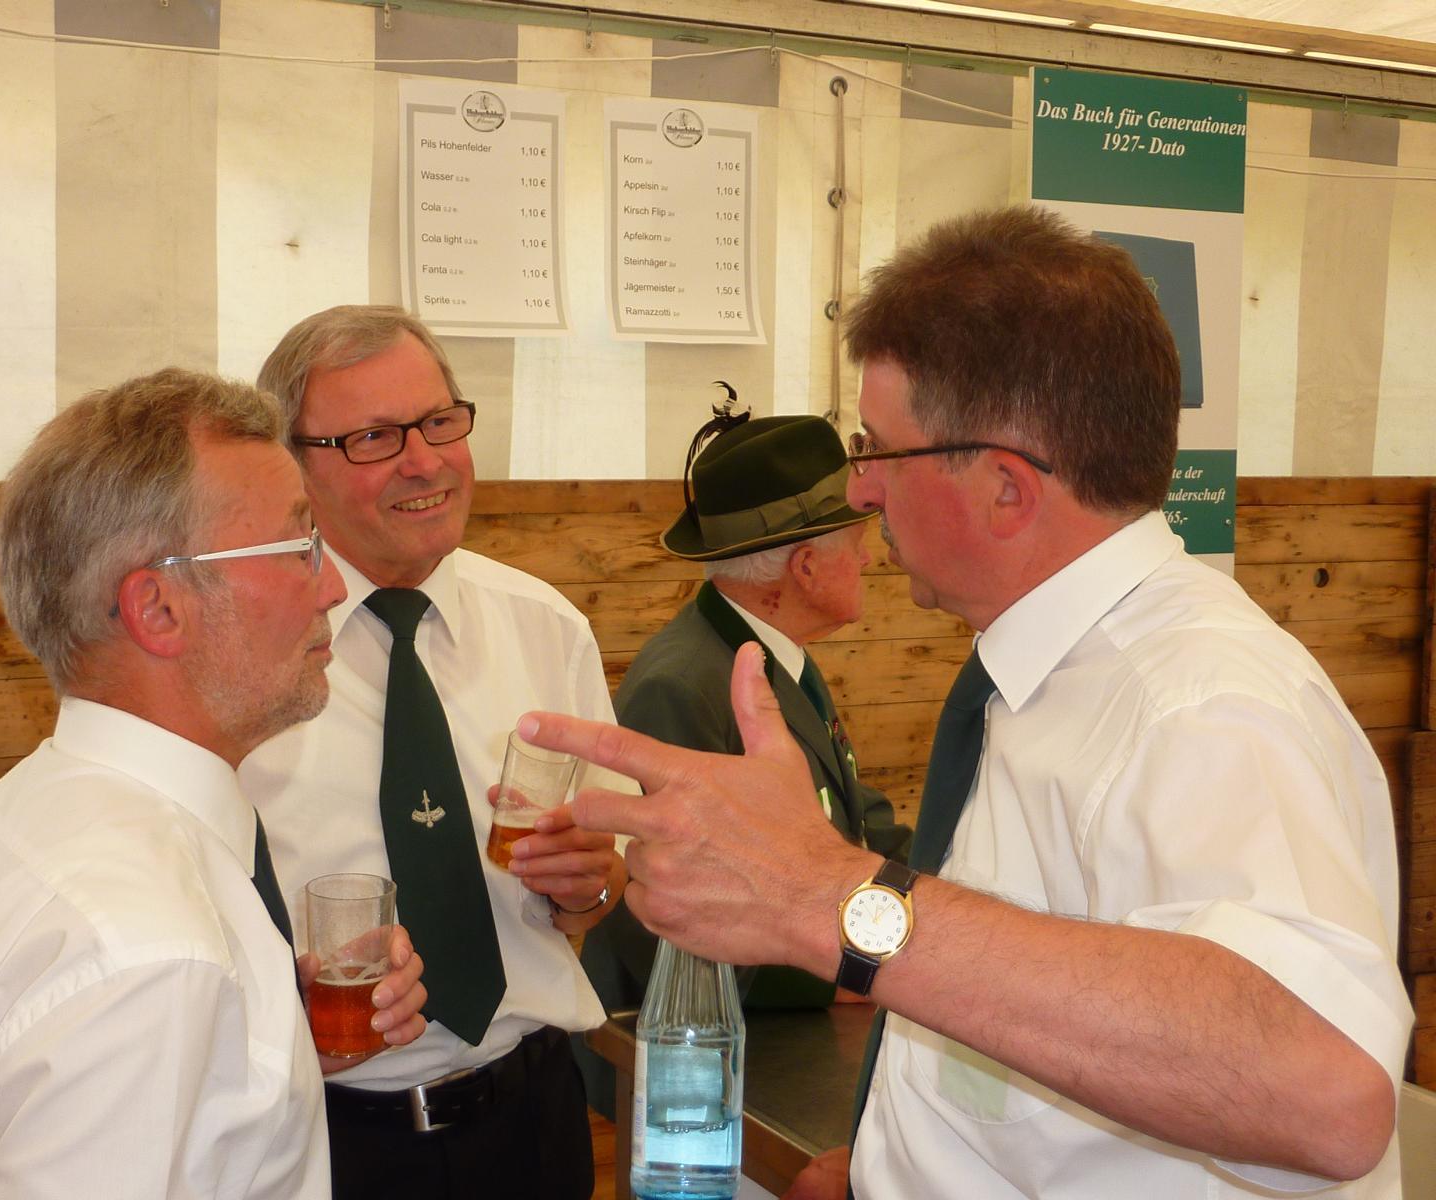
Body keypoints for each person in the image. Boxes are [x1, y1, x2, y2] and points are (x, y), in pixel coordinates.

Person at [520, 207, 1413, 1199]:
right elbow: (1026, 1002)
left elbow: (1326, 1091)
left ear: (1005, 489)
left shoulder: (1199, 704)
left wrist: (827, 897)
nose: (861, 492)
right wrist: (891, 1155)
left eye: (876, 451)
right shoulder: (1039, 671)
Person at [0, 368, 428, 1200]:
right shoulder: (153, 951)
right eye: (298, 548)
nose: (332, 585)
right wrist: (200, 1008)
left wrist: (257, 1045)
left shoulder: (23, 816)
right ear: (157, 609)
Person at [239, 306, 630, 1200]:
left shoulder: (545, 627)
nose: (424, 461)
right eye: (373, 437)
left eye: (440, 422)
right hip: (326, 1143)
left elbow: (601, 892)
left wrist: (590, 886)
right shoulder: (245, 653)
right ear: (293, 464)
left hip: (534, 1125)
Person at [578, 412, 910, 1087]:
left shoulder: (769, 655)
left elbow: (854, 820)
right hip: (704, 1066)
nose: (869, 559)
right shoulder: (684, 686)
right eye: (856, 542)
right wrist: (838, 977)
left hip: (775, 1038)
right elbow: (659, 913)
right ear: (805, 566)